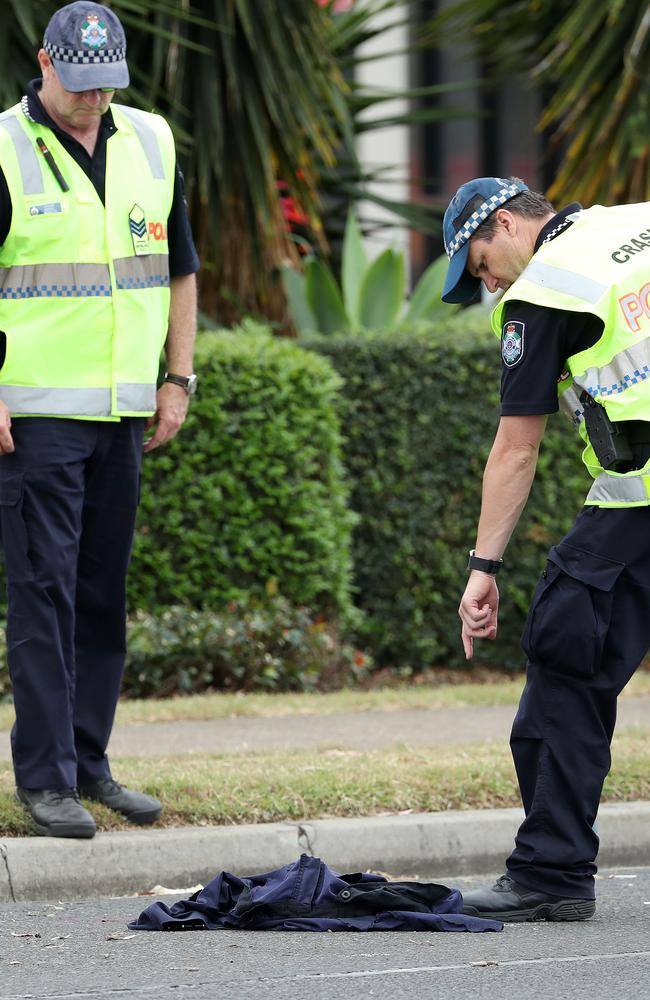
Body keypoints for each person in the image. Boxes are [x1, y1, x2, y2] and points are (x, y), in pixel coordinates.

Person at [0, 2, 199, 838]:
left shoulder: (152, 140)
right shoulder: (5, 147)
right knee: (41, 594)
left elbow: (178, 268)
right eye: (78, 86)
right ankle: (43, 780)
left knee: (99, 595)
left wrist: (179, 377)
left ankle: (91, 764)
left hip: (123, 413)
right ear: (44, 62)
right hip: (36, 415)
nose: (91, 101)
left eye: (104, 85)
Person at [440, 176, 650, 922]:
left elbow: (515, 449)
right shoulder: (638, 221)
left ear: (502, 223)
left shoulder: (544, 292)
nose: (489, 286)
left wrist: (482, 569)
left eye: (480, 265)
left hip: (638, 506)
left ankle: (552, 873)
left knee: (565, 652)